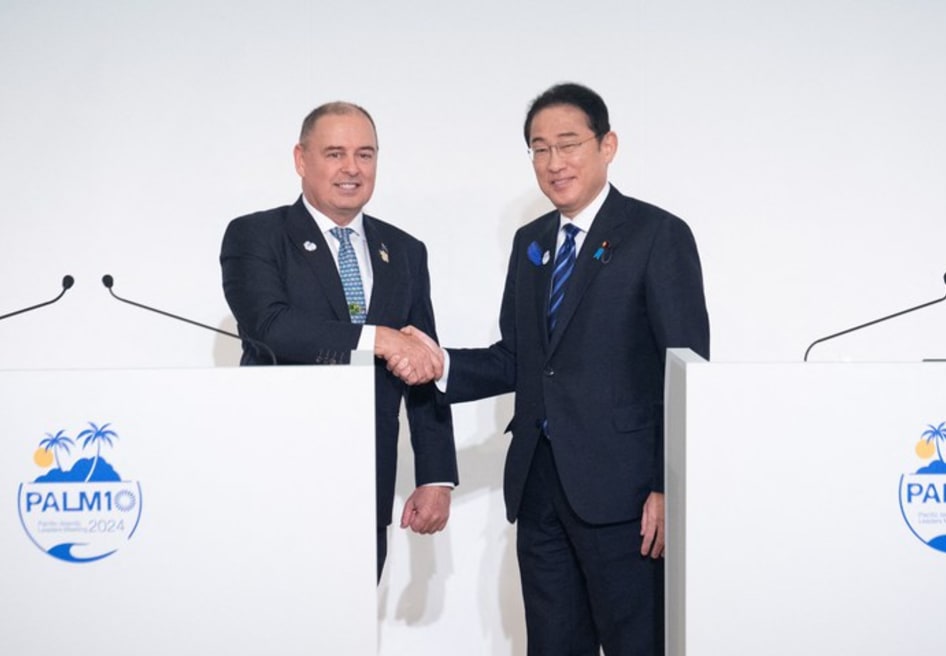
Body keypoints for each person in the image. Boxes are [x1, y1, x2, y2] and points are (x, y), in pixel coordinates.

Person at [400, 82, 709, 655]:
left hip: (627, 499)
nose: (554, 162)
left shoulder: (657, 235)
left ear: (607, 145)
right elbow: (519, 359)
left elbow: (685, 370)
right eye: (539, 149)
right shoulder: (532, 242)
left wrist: (669, 486)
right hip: (540, 488)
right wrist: (440, 365)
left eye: (568, 144)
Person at [220, 101, 457, 581]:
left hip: (368, 485)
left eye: (365, 154)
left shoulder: (405, 251)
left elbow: (422, 363)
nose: (352, 168)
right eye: (335, 154)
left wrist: (436, 475)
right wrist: (379, 338)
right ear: (300, 159)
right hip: (277, 477)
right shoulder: (256, 235)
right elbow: (270, 326)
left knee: (356, 619)